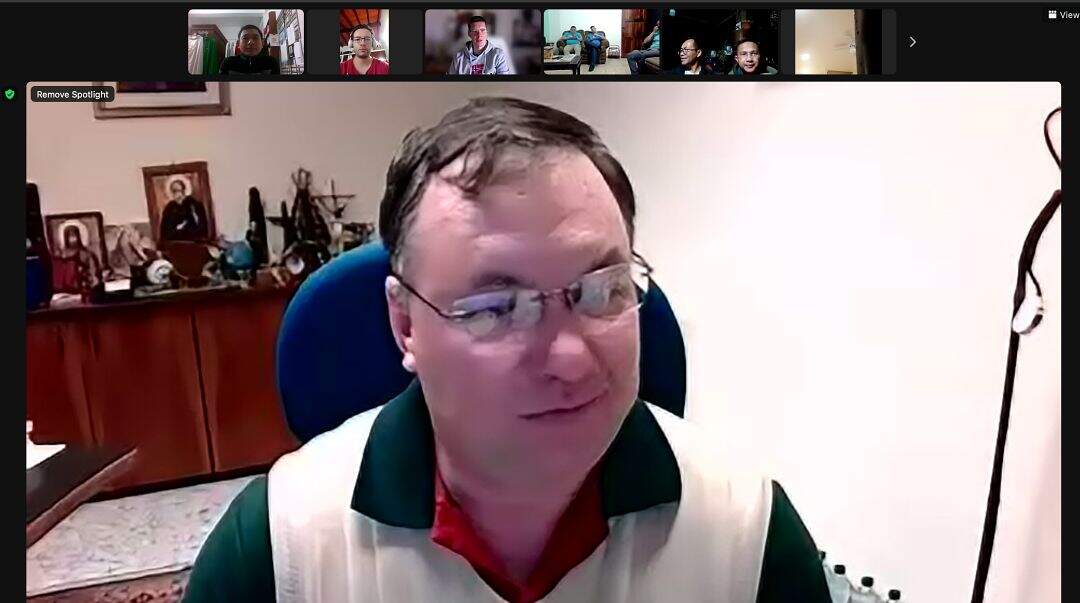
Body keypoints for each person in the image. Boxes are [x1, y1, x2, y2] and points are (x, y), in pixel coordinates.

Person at [184, 97, 831, 603]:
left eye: (601, 290)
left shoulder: (744, 537)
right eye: (496, 307)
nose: (572, 358)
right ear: (405, 326)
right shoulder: (280, 551)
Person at [447, 16, 514, 75]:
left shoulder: (498, 55)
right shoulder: (458, 57)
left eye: (482, 30)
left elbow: (503, 83)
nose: (479, 35)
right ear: (469, 34)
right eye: (475, 31)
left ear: (487, 32)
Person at [52, 223, 102, 293]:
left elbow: (93, 270)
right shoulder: (60, 254)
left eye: (74, 236)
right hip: (63, 290)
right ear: (66, 237)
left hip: (81, 285)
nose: (72, 239)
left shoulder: (86, 253)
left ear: (79, 236)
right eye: (70, 236)